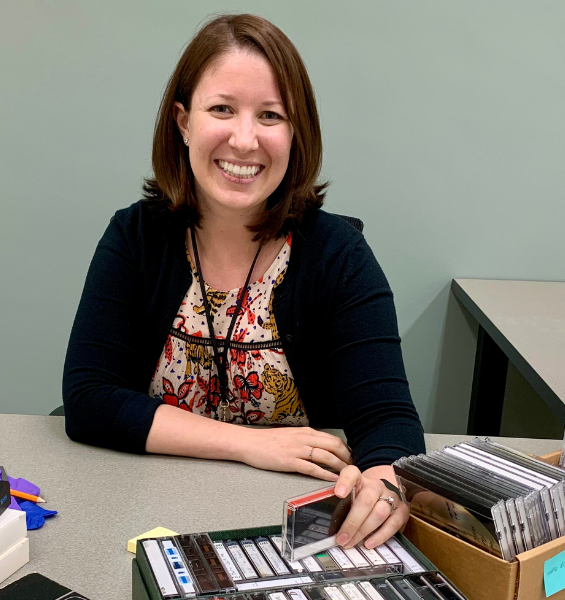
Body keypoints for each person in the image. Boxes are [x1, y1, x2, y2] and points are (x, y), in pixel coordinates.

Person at [62, 14, 425, 550]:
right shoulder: (134, 237)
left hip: (288, 532)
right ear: (183, 122)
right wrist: (249, 444)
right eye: (222, 109)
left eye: (271, 115)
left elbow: (389, 422)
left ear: (296, 134)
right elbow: (89, 398)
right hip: (144, 510)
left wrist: (385, 484)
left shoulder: (339, 256)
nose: (245, 139)